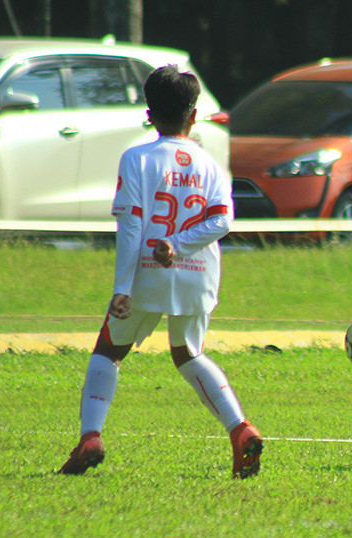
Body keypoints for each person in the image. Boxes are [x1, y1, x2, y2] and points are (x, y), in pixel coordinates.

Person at [59, 65, 263, 479]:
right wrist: (183, 243)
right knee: (189, 353)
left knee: (108, 350)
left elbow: (132, 225)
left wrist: (122, 286)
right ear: (194, 115)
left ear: (149, 113)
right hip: (197, 271)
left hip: (146, 271)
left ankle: (91, 436)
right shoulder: (209, 164)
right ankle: (241, 429)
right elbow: (223, 221)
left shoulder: (137, 158)